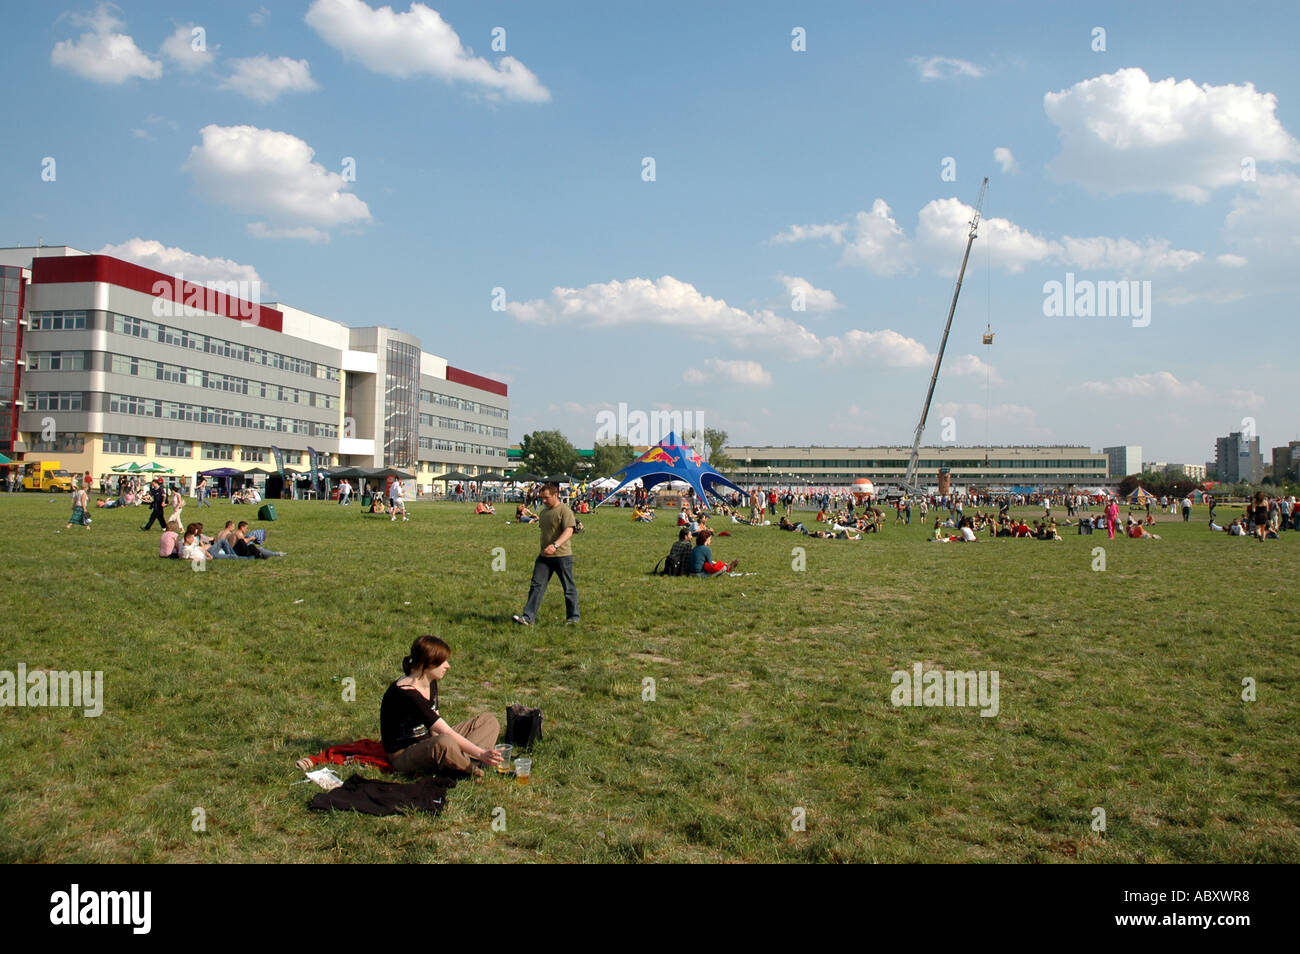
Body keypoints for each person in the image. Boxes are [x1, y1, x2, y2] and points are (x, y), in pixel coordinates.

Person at [381, 635, 502, 776]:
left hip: (430, 741)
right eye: (442, 662)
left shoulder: (430, 680)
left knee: (488, 721)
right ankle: (471, 769)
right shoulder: (407, 693)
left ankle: (457, 760)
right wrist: (481, 753)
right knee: (444, 742)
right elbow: (444, 732)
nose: (447, 666)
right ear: (427, 664)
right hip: (404, 754)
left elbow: (436, 727)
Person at [513, 482, 579, 626]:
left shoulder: (564, 511)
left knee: (568, 587)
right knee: (536, 586)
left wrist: (555, 545)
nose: (543, 500)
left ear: (556, 495)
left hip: (562, 556)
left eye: (546, 497)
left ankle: (573, 617)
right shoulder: (544, 512)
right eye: (542, 497)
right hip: (544, 556)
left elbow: (569, 531)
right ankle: (528, 617)